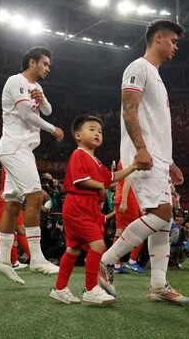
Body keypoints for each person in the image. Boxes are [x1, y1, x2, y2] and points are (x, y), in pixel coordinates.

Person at [97, 19, 189, 305]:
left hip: (158, 157)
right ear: (159, 38)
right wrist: (140, 148)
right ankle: (106, 261)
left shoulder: (156, 76)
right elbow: (130, 110)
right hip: (144, 156)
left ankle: (158, 285)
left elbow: (156, 126)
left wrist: (171, 161)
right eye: (174, 41)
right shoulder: (138, 67)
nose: (176, 46)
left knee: (163, 222)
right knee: (161, 214)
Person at [0, 47, 65, 284]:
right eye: (44, 64)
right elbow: (25, 114)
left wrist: (42, 99)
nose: (47, 68)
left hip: (23, 149)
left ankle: (3, 259)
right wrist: (51, 128)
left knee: (13, 204)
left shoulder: (37, 87)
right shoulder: (16, 81)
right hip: (15, 147)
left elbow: (48, 110)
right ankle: (36, 258)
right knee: (35, 197)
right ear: (32, 62)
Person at [49, 115, 137, 305]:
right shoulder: (79, 154)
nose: (97, 133)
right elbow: (80, 181)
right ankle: (91, 289)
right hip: (79, 205)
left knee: (73, 250)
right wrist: (99, 187)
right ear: (78, 135)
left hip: (86, 207)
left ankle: (60, 288)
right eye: (92, 129)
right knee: (97, 246)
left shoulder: (95, 160)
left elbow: (112, 176)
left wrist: (133, 167)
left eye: (100, 131)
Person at [111, 160, 145, 274]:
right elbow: (127, 181)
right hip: (129, 200)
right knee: (141, 231)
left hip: (120, 198)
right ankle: (132, 261)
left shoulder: (122, 158)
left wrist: (119, 199)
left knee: (119, 231)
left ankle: (115, 264)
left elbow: (119, 181)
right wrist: (125, 201)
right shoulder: (130, 158)